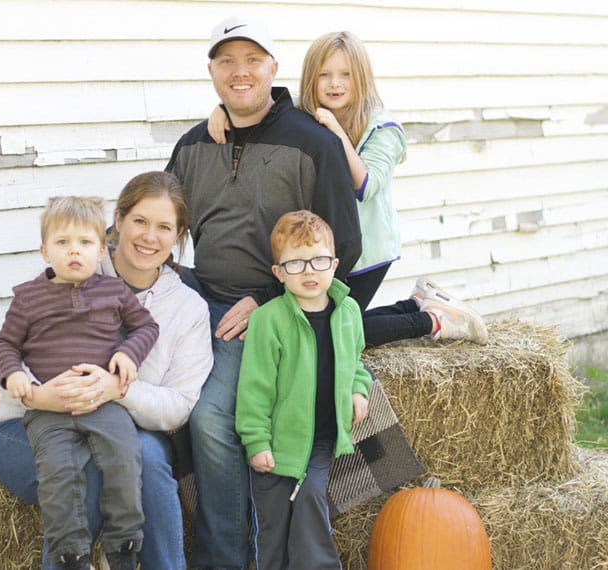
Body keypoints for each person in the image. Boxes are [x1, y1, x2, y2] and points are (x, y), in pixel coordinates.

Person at [166, 14, 362, 569]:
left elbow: (343, 246)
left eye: (253, 59)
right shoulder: (191, 146)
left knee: (209, 418)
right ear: (211, 72)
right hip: (197, 299)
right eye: (226, 60)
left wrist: (272, 302)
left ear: (274, 68)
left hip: (266, 308)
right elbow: (160, 224)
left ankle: (227, 560)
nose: (240, 72)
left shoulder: (311, 143)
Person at [0, 172, 212, 570]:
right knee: (87, 472)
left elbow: (177, 407)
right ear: (118, 220)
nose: (149, 237)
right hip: (27, 425)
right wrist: (39, 394)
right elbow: (2, 354)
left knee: (141, 458)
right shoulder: (72, 262)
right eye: (140, 221)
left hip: (117, 426)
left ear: (178, 236)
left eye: (164, 227)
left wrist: (115, 389)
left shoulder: (187, 309)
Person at [209, 30, 488, 348]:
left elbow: (365, 185)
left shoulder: (384, 129)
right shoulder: (302, 111)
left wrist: (335, 132)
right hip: (317, 248)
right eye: (324, 75)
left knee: (333, 336)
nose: (334, 84)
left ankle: (432, 320)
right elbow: (260, 104)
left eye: (346, 75)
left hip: (364, 250)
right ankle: (413, 305)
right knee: (322, 325)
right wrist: (223, 109)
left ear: (362, 78)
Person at [236, 210, 371, 569]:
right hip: (278, 444)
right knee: (273, 531)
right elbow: (255, 386)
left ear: (335, 264)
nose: (309, 271)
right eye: (295, 263)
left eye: (318, 260)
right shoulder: (269, 319)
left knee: (311, 497)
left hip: (323, 439)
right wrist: (256, 441)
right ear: (278, 273)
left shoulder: (349, 312)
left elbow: (356, 362)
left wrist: (358, 389)